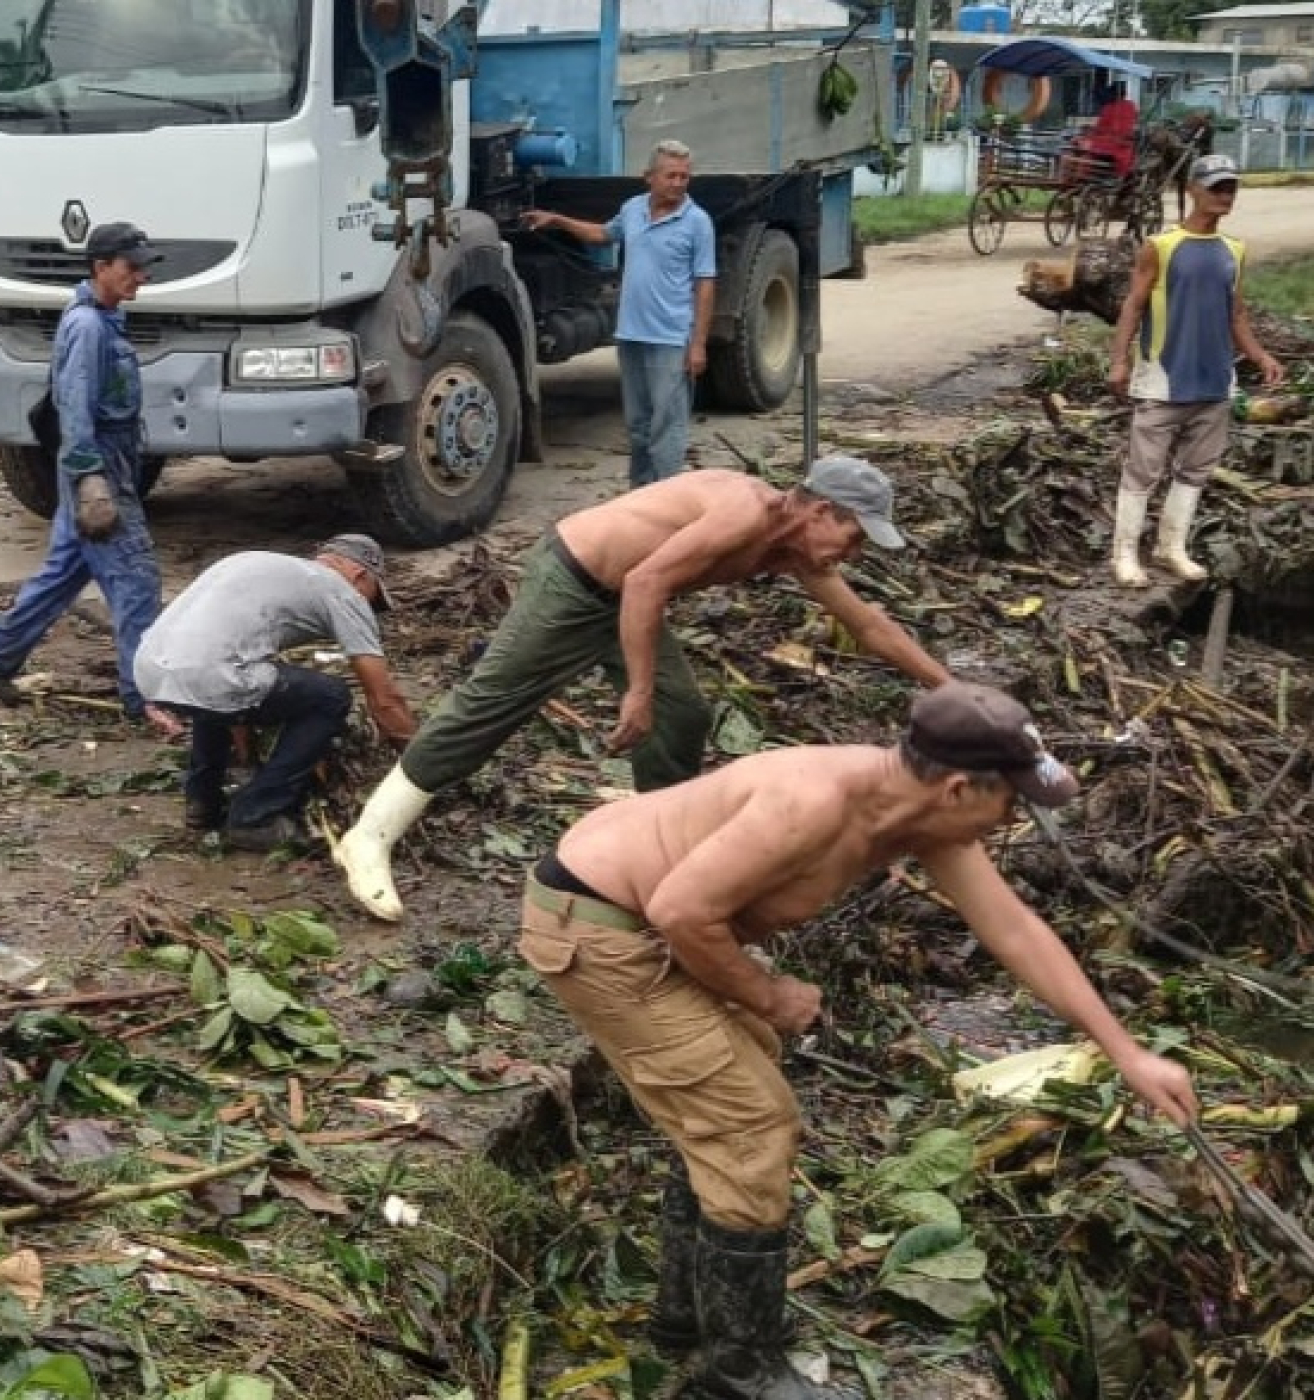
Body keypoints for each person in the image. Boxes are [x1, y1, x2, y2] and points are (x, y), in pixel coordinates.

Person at [519, 681, 1199, 1398]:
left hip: (655, 924)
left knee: (742, 1086)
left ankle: (687, 1318)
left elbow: (1016, 932)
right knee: (752, 1125)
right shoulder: (814, 801)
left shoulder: (918, 816)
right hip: (602, 928)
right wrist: (769, 993)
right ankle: (736, 1373)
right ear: (961, 788)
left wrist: (1127, 1054)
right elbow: (681, 910)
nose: (1011, 821)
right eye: (1011, 803)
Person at [336, 458, 952, 921]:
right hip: (575, 582)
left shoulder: (796, 551)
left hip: (628, 599)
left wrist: (949, 689)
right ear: (821, 512)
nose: (854, 552)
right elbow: (646, 581)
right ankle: (370, 835)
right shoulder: (744, 512)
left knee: (682, 716)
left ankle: (665, 855)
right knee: (489, 707)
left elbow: (868, 624)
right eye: (855, 536)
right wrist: (637, 690)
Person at [0, 222, 174, 730]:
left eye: (143, 268)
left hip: (103, 462)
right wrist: (90, 479)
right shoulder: (88, 327)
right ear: (100, 267)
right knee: (136, 581)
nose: (140, 278)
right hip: (98, 467)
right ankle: (142, 698)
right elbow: (74, 407)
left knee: (64, 573)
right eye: (131, 268)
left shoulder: (105, 318)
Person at [133, 535, 417, 851]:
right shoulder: (343, 592)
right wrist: (420, 763)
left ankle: (203, 804)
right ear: (360, 575)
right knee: (331, 697)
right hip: (208, 671)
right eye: (373, 599)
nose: (369, 608)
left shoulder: (259, 565)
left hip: (149, 668)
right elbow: (384, 699)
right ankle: (257, 816)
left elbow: (227, 697)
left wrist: (249, 759)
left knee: (213, 689)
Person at [1107, 153, 1285, 587]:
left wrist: (1260, 356)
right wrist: (1118, 359)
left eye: (1231, 188)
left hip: (1214, 380)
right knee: (1143, 470)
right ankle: (1124, 555)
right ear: (1193, 190)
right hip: (1164, 378)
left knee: (1195, 470)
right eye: (1216, 187)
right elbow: (1134, 304)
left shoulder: (1233, 251)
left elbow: (1236, 314)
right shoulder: (1161, 247)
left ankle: (1172, 547)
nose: (1225, 196)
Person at [523, 138, 716, 489]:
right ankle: (640, 495)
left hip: (671, 338)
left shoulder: (697, 222)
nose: (677, 183)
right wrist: (558, 220)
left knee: (667, 426)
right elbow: (603, 234)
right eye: (670, 176)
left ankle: (667, 497)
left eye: (684, 177)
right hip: (631, 335)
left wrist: (698, 343)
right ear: (649, 177)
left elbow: (705, 283)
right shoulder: (633, 210)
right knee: (639, 424)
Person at [1062, 81, 1138, 183]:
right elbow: (1102, 127)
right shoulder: (1130, 106)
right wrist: (1090, 131)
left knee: (1082, 150)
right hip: (1113, 141)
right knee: (1075, 148)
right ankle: (1071, 176)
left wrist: (1089, 133)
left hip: (1115, 144)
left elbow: (1104, 128)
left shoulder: (1115, 107)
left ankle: (1076, 179)